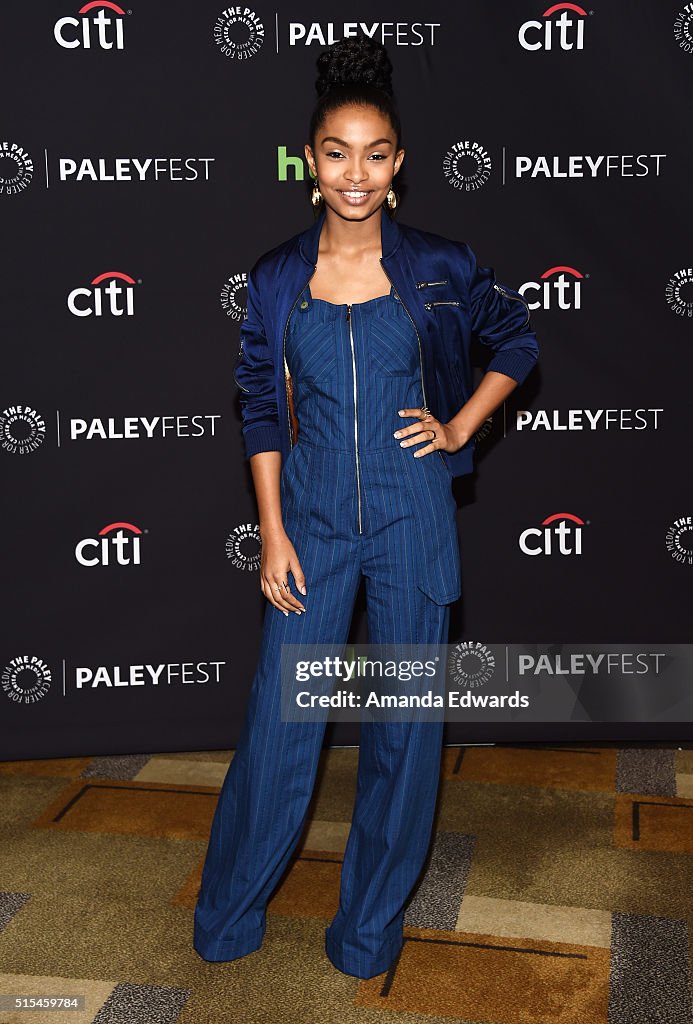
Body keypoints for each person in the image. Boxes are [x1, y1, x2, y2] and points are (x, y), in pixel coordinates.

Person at [193, 36, 539, 980]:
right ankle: (226, 920)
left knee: (403, 737)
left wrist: (461, 425)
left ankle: (365, 934)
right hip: (306, 520)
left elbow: (515, 337)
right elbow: (260, 406)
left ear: (398, 166)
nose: (357, 173)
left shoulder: (440, 263)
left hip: (411, 517)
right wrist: (270, 531)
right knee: (280, 728)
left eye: (375, 153)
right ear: (309, 165)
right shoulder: (274, 279)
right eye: (337, 153)